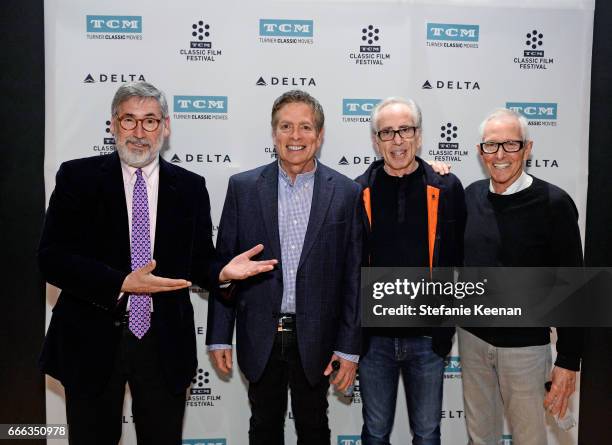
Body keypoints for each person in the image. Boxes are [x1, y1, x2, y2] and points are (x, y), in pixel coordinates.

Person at [38, 81, 274, 445]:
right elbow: (51, 259)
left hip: (164, 345)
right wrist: (120, 282)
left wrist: (222, 273)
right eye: (128, 120)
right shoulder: (78, 178)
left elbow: (199, 261)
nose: (138, 132)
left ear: (165, 127)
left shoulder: (190, 187)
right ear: (113, 125)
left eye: (150, 121)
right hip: (90, 343)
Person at [206, 89, 362, 445]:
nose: (295, 137)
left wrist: (349, 347)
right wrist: (217, 335)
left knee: (314, 426)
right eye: (286, 127)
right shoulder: (243, 188)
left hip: (318, 337)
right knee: (263, 425)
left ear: (320, 136)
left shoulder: (346, 192)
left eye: (306, 127)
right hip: (260, 331)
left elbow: (354, 277)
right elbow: (224, 267)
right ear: (273, 133)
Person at [459, 108, 583, 445]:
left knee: (529, 439)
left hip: (527, 350)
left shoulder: (554, 203)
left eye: (510, 145)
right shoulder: (469, 197)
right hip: (473, 342)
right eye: (491, 146)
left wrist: (569, 361)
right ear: (480, 151)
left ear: (527, 149)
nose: (500, 156)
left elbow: (573, 286)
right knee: (479, 438)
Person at [355, 97, 466, 445]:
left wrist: (443, 330)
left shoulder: (446, 188)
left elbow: (459, 263)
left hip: (427, 340)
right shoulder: (357, 191)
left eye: (405, 130)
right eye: (387, 132)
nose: (397, 140)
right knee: (374, 434)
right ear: (376, 141)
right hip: (374, 342)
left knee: (428, 433)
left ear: (418, 136)